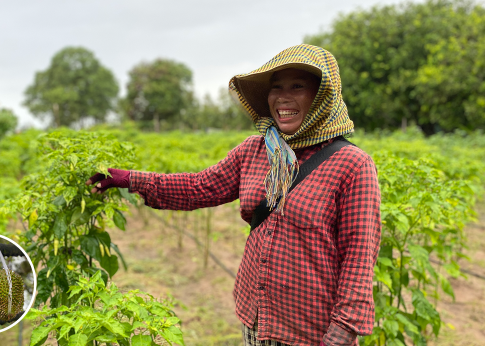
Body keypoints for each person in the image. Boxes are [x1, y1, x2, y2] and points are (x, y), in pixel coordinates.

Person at [87, 44, 381, 346]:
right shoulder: (256, 150)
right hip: (256, 318)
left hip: (310, 333)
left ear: (322, 97)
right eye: (276, 87)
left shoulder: (352, 165)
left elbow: (358, 257)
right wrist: (128, 179)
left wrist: (343, 331)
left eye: (297, 86)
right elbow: (198, 188)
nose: (283, 97)